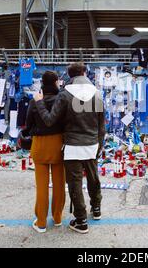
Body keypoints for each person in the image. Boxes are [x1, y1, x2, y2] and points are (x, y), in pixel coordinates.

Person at [33, 62, 105, 234]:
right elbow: (101, 126)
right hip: (92, 143)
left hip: (73, 145)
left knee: (75, 183)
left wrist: (39, 103)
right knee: (93, 178)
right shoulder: (97, 94)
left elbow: (50, 120)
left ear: (70, 75)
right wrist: (99, 146)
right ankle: (96, 209)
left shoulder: (65, 94)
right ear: (84, 73)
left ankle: (81, 221)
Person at [24, 71, 65, 233]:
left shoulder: (35, 101)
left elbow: (27, 124)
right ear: (55, 82)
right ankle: (57, 218)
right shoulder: (61, 100)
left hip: (39, 145)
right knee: (59, 184)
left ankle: (41, 222)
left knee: (41, 186)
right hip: (57, 144)